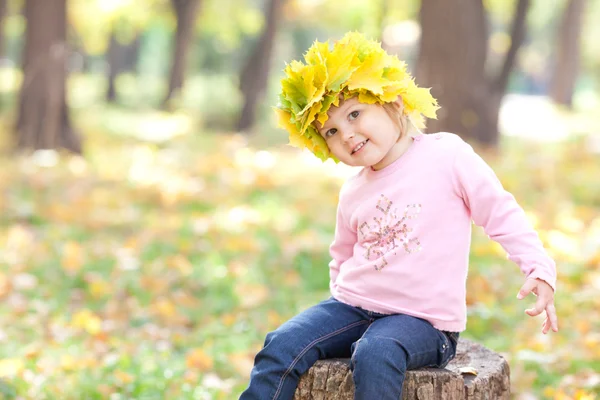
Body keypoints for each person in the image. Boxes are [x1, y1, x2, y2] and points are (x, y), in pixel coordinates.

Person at [239, 32, 558, 400]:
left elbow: (500, 213)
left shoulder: (447, 157)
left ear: (390, 100)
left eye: (355, 114)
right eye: (331, 131)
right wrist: (336, 316)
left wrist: (538, 267)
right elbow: (342, 255)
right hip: (352, 306)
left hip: (423, 322)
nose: (348, 135)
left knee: (377, 352)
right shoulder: (354, 189)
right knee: (281, 343)